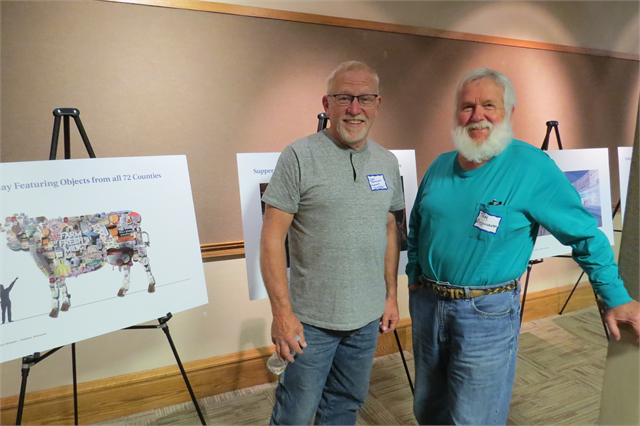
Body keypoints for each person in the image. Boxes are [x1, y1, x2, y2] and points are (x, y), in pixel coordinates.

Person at [406, 67, 640, 425]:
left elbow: (585, 235)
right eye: (467, 107)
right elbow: (418, 224)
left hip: (486, 312)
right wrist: (414, 275)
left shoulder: (532, 167)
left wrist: (616, 296)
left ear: (510, 112)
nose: (477, 115)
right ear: (456, 114)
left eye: (489, 105)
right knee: (429, 409)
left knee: (474, 417)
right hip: (428, 306)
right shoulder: (439, 167)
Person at [260, 61, 404, 425]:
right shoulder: (298, 156)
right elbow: (272, 238)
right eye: (344, 98)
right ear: (327, 103)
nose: (355, 109)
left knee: (345, 405)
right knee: (295, 412)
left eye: (364, 98)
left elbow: (389, 228)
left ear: (377, 104)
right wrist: (281, 314)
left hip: (367, 319)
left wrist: (390, 296)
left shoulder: (387, 162)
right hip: (310, 323)